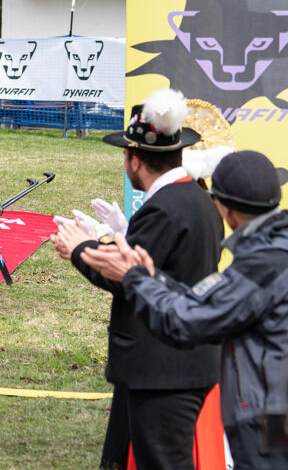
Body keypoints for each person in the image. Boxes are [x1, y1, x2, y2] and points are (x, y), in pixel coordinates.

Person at [76, 150, 288, 469]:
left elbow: (188, 319)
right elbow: (205, 300)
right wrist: (154, 276)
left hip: (268, 413)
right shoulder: (273, 252)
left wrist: (135, 276)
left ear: (225, 208)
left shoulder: (259, 268)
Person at [50, 88, 222, 470]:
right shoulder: (195, 198)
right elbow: (157, 266)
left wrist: (82, 247)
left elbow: (125, 276)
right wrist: (118, 235)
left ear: (134, 160)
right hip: (179, 358)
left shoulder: (164, 207)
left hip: (162, 366)